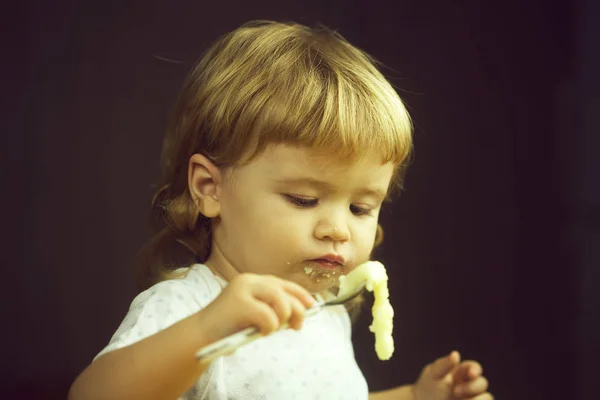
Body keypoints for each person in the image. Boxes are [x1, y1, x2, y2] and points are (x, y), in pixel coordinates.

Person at [69, 21, 493, 400]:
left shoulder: (322, 314)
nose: (337, 229)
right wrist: (206, 330)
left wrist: (417, 397)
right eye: (304, 200)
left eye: (361, 207)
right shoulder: (187, 306)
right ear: (209, 187)